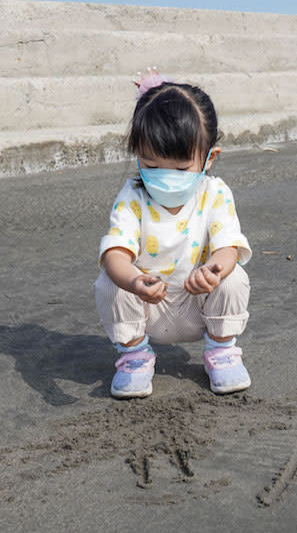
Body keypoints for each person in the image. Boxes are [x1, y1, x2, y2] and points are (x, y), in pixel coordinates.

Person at [94, 69, 252, 399]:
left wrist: (213, 271)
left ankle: (221, 351)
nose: (166, 177)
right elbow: (115, 254)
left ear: (211, 158)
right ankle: (135, 357)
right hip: (149, 308)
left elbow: (229, 247)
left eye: (181, 169)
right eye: (150, 166)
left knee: (234, 277)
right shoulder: (132, 197)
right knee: (110, 282)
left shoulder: (215, 194)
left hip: (199, 306)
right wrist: (135, 283)